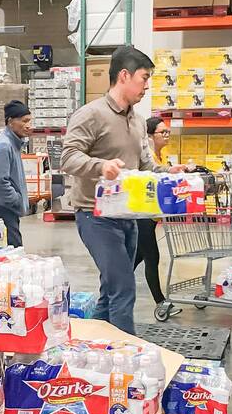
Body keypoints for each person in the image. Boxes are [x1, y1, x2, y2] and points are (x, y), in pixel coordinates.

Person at [61, 45, 184, 334]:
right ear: (125, 76)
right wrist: (100, 166)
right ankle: (128, 360)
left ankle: (94, 345)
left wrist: (170, 173)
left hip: (127, 217)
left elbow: (146, 166)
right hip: (95, 217)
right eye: (144, 78)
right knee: (124, 289)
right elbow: (68, 157)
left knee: (110, 291)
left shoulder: (138, 120)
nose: (147, 86)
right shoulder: (91, 114)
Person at [133, 117, 171, 311]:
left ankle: (113, 285)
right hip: (142, 214)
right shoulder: (148, 156)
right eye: (162, 132)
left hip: (153, 213)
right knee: (152, 256)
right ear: (149, 136)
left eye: (167, 132)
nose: (167, 136)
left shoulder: (162, 155)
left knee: (137, 256)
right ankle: (160, 302)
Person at [0, 99, 31, 248]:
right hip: (2, 207)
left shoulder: (13, 143)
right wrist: (15, 199)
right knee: (13, 252)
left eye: (30, 121)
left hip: (7, 207)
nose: (28, 125)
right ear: (11, 122)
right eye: (24, 121)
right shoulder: (4, 145)